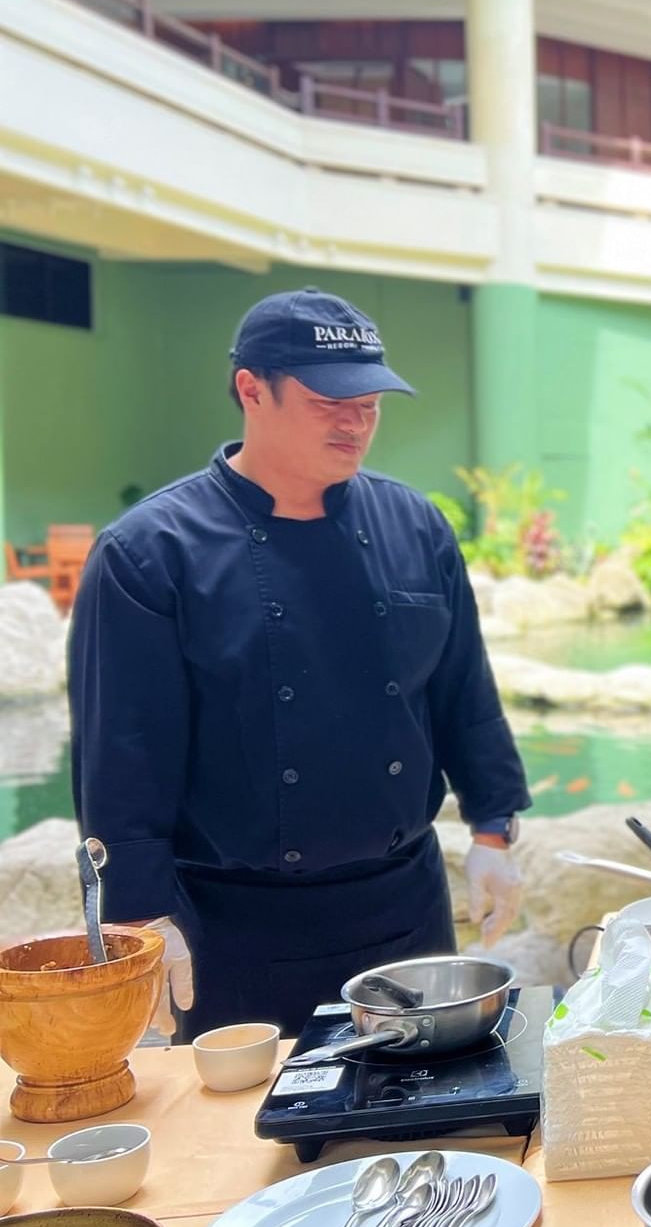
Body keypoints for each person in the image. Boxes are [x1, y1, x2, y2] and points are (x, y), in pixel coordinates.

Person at [69, 287, 531, 1040]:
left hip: (404, 911)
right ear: (252, 389)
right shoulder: (149, 554)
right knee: (256, 1150)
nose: (356, 421)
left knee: (420, 1133)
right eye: (330, 401)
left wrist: (491, 833)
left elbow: (462, 694)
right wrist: (141, 916)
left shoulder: (417, 525)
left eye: (371, 403)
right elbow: (124, 755)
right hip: (236, 928)